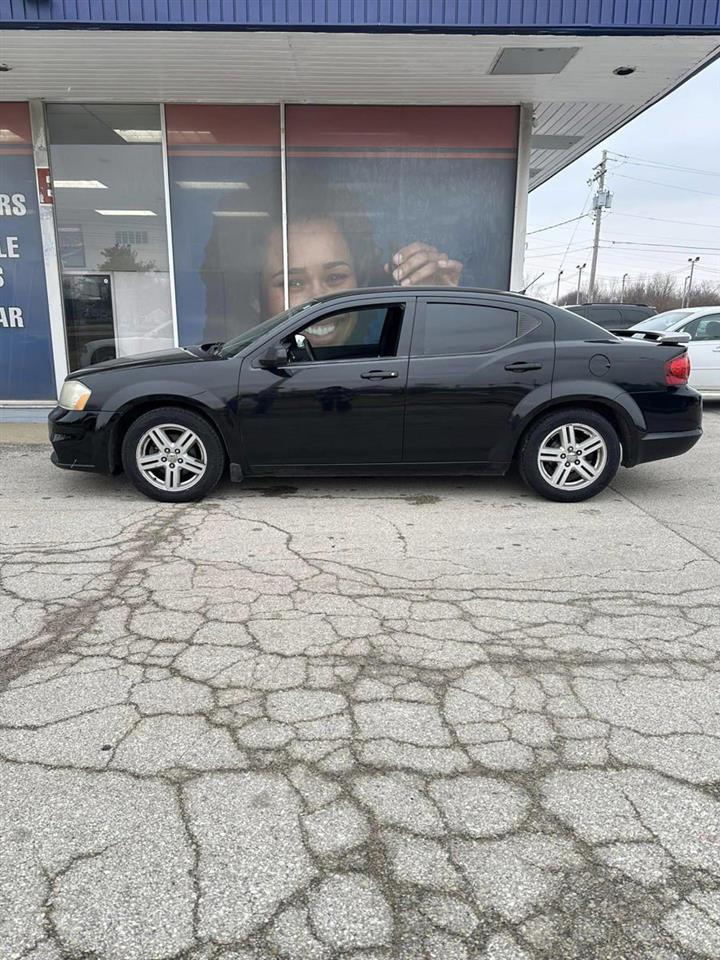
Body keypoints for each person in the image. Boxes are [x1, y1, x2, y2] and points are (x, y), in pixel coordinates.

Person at [201, 172, 463, 344]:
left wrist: (442, 310)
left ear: (360, 280)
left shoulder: (386, 349)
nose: (320, 300)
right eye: (293, 282)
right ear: (255, 298)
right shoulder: (238, 367)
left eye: (335, 277)